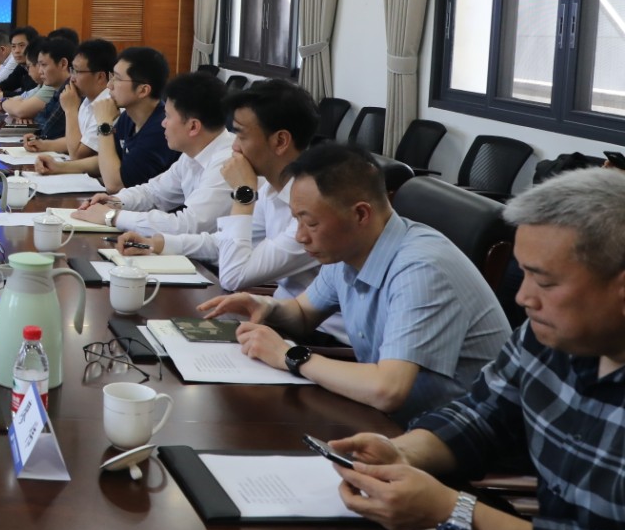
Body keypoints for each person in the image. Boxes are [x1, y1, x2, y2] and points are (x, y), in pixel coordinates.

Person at [328, 168, 625, 530]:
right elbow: (484, 413)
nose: (523, 298)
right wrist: (403, 454)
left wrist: (455, 511)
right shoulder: (547, 335)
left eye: (545, 282)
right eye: (523, 274)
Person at [199, 143, 510, 423]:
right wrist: (265, 306)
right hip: (390, 420)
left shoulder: (421, 270)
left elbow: (388, 389)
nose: (301, 236)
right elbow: (303, 313)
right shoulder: (349, 250)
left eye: (311, 223)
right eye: (297, 220)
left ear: (361, 214)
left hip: (457, 437)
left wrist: (288, 356)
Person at [124, 78, 324, 303]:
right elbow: (223, 242)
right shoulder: (272, 188)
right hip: (280, 309)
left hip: (306, 320)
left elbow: (233, 277)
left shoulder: (313, 208)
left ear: (280, 141)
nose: (234, 147)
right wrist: (159, 243)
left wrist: (243, 193)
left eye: (242, 136)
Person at [73, 70, 234, 234]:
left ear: (193, 127)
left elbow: (189, 225)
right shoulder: (193, 153)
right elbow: (155, 193)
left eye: (168, 117)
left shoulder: (226, 164)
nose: (163, 123)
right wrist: (115, 201)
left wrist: (112, 216)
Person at [88, 46, 180, 192]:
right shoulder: (128, 117)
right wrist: (60, 167)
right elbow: (108, 159)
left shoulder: (160, 129)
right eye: (112, 76)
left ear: (143, 90)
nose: (109, 85)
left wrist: (104, 124)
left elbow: (114, 185)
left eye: (117, 78)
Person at [31, 38, 116, 175]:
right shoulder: (87, 100)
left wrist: (70, 110)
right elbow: (82, 139)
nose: (72, 78)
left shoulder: (108, 104)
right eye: (72, 70)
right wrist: (43, 145)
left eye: (77, 71)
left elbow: (77, 155)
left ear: (100, 76)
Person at [0, 26, 40, 106]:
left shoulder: (38, 69)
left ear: (34, 46)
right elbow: (10, 82)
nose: (16, 51)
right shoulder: (22, 66)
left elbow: (26, 96)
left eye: (21, 45)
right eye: (13, 46)